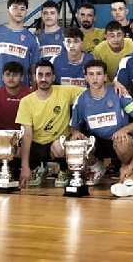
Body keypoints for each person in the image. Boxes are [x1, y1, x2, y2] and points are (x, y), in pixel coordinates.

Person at [70, 60, 133, 185]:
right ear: (85, 77)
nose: (95, 78)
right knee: (76, 143)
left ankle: (125, 168)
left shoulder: (118, 93)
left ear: (105, 76)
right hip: (96, 141)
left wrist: (125, 130)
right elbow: (74, 127)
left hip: (118, 138)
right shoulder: (81, 99)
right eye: (91, 74)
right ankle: (96, 167)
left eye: (99, 74)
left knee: (123, 141)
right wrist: (75, 133)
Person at [15, 60, 85, 188]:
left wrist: (113, 84)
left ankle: (64, 170)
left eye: (47, 75)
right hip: (37, 145)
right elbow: (27, 134)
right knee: (13, 150)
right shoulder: (26, 101)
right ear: (34, 77)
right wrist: (25, 166)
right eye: (40, 75)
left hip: (58, 142)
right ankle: (40, 168)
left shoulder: (65, 92)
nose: (43, 79)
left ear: (53, 77)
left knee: (59, 147)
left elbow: (93, 91)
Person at [0, 0, 41, 97]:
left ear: (26, 12)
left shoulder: (32, 39)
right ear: (8, 10)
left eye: (22, 9)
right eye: (15, 8)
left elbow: (34, 67)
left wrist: (34, 89)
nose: (19, 11)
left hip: (22, 90)